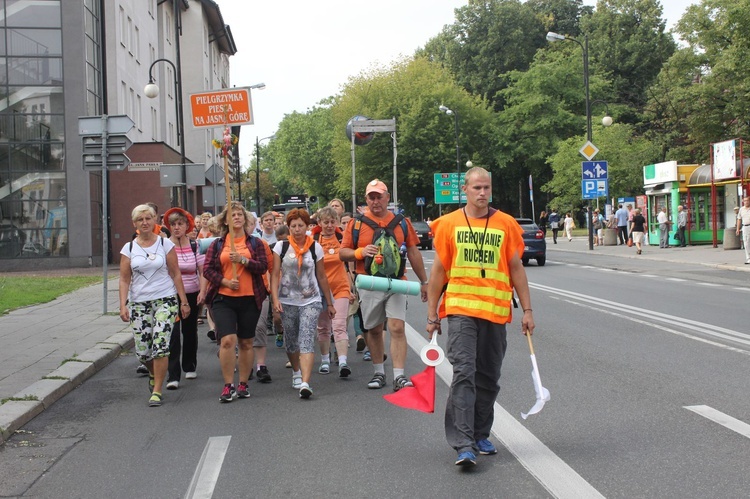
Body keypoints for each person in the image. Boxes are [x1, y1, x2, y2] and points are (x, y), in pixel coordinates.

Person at [426, 166, 535, 467]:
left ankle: (479, 433)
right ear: (466, 190)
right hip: (461, 311)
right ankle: (463, 443)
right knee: (464, 373)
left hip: (496, 312)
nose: (483, 193)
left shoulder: (505, 224)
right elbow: (438, 273)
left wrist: (527, 310)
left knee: (489, 377)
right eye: (477, 188)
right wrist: (432, 313)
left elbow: (516, 269)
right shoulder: (448, 224)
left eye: (486, 188)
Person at [340, 179, 429, 391]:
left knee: (397, 326)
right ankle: (379, 372)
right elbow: (343, 252)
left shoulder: (402, 222)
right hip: (369, 283)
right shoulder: (356, 224)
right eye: (371, 197)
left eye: (379, 196)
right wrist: (360, 252)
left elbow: (414, 252)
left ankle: (399, 375)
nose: (375, 201)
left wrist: (424, 282)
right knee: (374, 329)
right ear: (366, 199)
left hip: (397, 282)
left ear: (388, 198)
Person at [119, 204, 190, 407]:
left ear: (155, 221)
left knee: (161, 345)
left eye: (148, 218)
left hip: (165, 300)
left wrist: (183, 301)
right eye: (140, 219)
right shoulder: (129, 248)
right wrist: (123, 305)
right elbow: (124, 279)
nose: (145, 222)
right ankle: (153, 372)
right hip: (139, 303)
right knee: (143, 351)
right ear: (134, 224)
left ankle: (157, 390)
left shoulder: (165, 244)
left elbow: (175, 273)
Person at [202, 202, 269, 403]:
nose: (237, 218)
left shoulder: (255, 243)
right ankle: (228, 384)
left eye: (240, 214)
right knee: (227, 340)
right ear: (226, 220)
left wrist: (243, 260)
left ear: (245, 219)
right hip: (223, 298)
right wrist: (224, 281)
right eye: (233, 215)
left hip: (250, 298)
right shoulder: (218, 244)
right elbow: (207, 270)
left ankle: (243, 383)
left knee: (246, 342)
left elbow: (263, 266)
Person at [270, 209, 336, 399]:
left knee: (306, 338)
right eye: (293, 226)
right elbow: (275, 275)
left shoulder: (315, 248)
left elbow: (322, 276)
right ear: (288, 228)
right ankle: (296, 372)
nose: (297, 230)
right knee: (291, 340)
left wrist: (329, 303)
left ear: (307, 227)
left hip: (311, 300)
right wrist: (275, 300)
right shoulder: (280, 248)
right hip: (287, 300)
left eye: (301, 226)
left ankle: (306, 382)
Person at [164, 208, 204, 390]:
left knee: (190, 331)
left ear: (187, 226)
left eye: (180, 224)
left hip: (192, 292)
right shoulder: (164, 246)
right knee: (173, 334)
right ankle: (173, 374)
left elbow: (202, 271)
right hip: (171, 294)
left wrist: (203, 291)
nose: (177, 227)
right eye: (173, 224)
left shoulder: (195, 245)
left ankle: (189, 365)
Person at [313, 207, 355, 377]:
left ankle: (343, 362)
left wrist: (351, 287)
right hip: (321, 290)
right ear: (319, 223)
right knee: (323, 327)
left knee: (339, 325)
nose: (330, 225)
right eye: (326, 222)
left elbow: (349, 263)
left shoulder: (342, 238)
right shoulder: (314, 240)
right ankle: (325, 360)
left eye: (332, 222)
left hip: (340, 287)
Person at [736, 196, 750, 264]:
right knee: (746, 243)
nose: (746, 202)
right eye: (745, 201)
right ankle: (748, 258)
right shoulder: (741, 209)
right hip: (745, 227)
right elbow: (739, 219)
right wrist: (738, 229)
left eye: (747, 200)